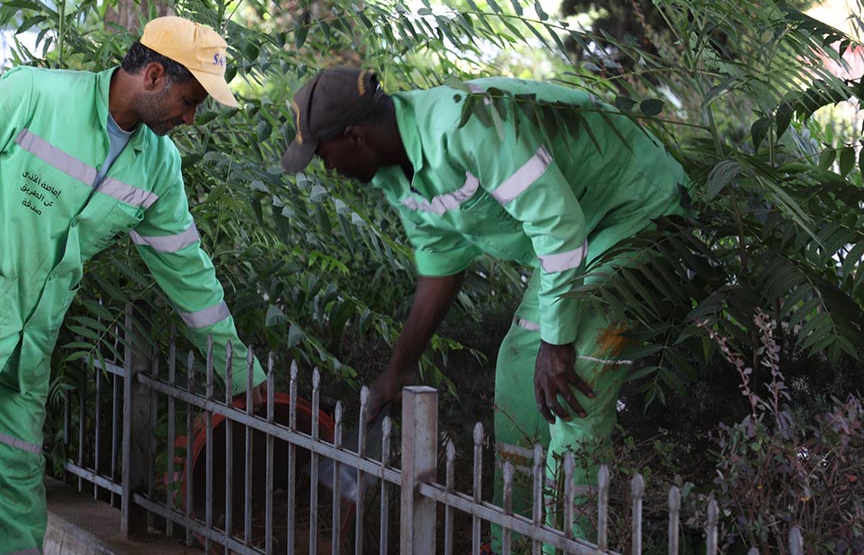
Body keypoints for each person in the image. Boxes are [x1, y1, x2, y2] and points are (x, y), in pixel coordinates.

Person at [0, 16, 264, 554]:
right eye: (190, 100)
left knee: (15, 487)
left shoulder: (157, 167)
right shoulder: (34, 94)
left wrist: (242, 375)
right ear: (155, 75)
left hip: (24, 344)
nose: (190, 117)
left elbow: (188, 274)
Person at [281, 67, 688, 538]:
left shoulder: (465, 125)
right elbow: (441, 263)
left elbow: (557, 225)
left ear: (354, 137)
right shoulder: (395, 176)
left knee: (573, 387)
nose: (327, 168)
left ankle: (570, 546)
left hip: (636, 210)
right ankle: (510, 542)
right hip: (577, 234)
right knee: (518, 368)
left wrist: (557, 344)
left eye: (322, 156)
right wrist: (398, 370)